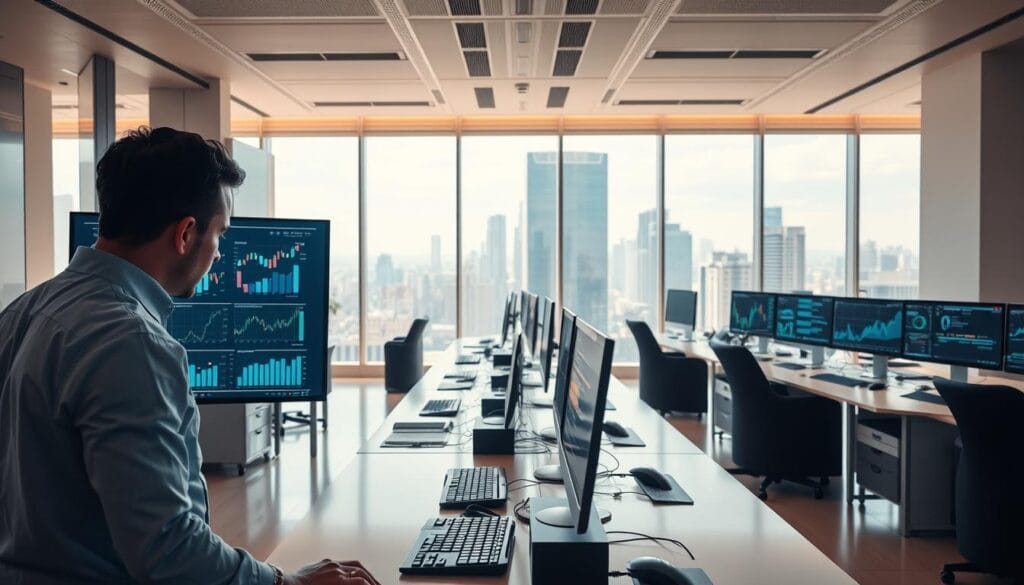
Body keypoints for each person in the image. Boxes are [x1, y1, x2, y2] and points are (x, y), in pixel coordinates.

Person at [0, 127, 380, 585]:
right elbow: (169, 552)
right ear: (185, 234)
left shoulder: (21, 312)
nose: (219, 253)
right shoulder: (130, 343)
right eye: (219, 234)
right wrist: (287, 583)